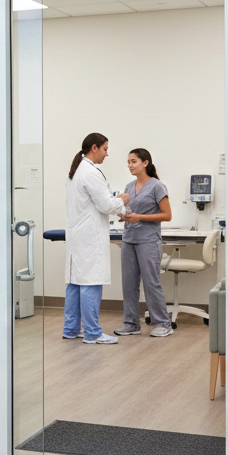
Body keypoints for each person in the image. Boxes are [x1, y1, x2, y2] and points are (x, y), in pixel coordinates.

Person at [63, 133, 130, 345]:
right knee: (90, 282)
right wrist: (121, 200)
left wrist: (114, 201)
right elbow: (105, 205)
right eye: (105, 149)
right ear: (94, 148)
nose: (107, 154)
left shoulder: (76, 171)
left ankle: (71, 329)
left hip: (77, 235)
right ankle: (92, 333)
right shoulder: (90, 172)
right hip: (89, 237)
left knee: (74, 283)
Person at [115, 148, 173, 338]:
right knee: (128, 284)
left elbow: (167, 215)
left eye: (134, 162)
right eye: (129, 162)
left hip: (148, 240)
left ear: (145, 163)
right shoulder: (129, 187)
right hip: (129, 239)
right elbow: (131, 210)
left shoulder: (157, 186)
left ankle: (163, 323)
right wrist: (125, 216)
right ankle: (131, 324)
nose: (130, 165)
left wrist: (139, 217)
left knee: (151, 282)